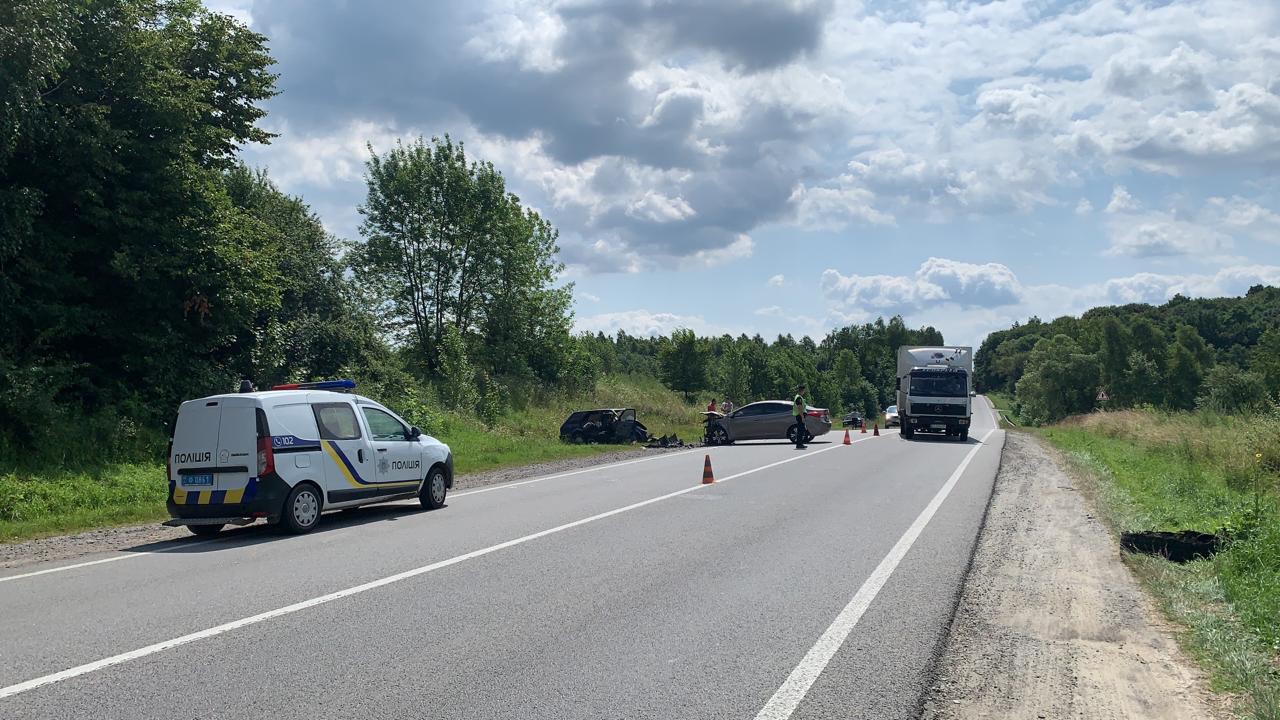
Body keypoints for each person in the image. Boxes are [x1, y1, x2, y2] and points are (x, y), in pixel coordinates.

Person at [791, 384, 808, 449]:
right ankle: (799, 444)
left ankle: (800, 443)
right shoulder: (798, 397)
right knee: (800, 431)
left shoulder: (799, 397)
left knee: (801, 430)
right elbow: (800, 408)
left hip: (799, 415)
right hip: (799, 416)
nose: (804, 392)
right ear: (802, 390)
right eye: (804, 390)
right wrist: (802, 417)